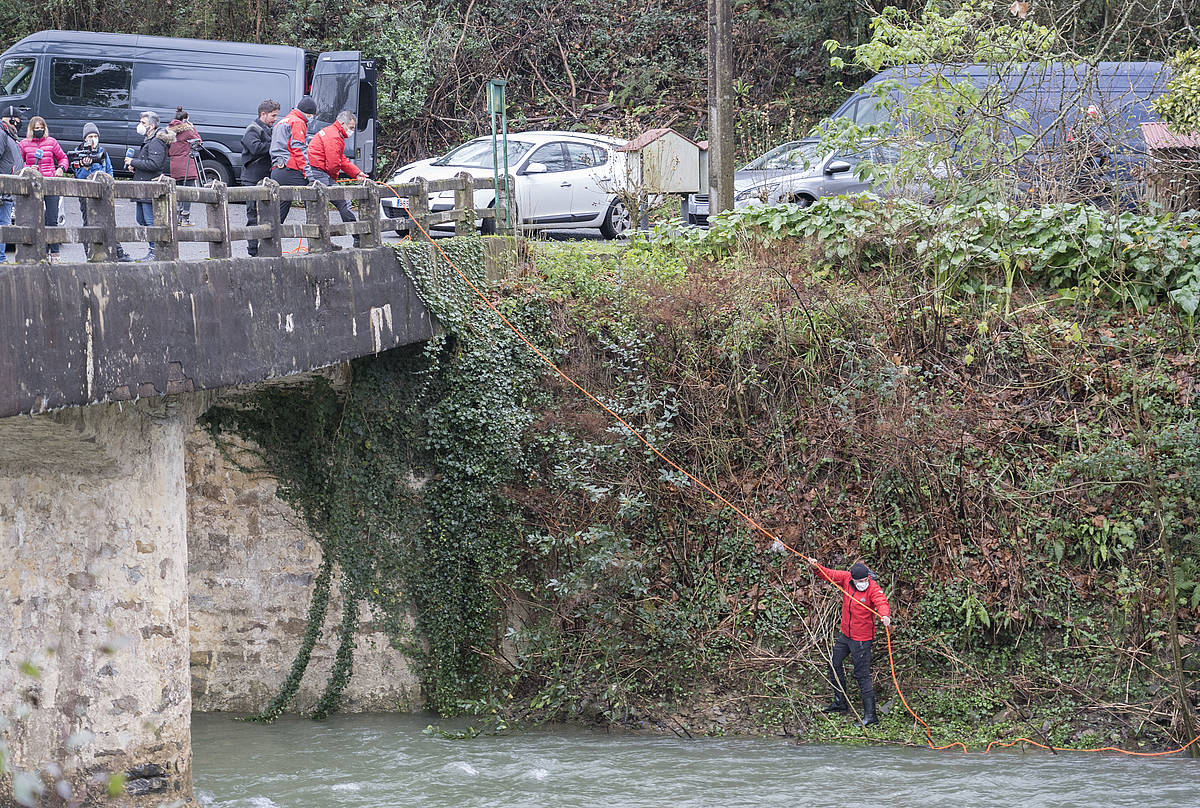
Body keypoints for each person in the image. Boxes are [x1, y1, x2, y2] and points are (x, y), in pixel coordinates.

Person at [808, 557, 892, 726]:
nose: (862, 583)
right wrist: (816, 567)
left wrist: (885, 615)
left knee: (862, 675)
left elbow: (882, 602)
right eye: (859, 581)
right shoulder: (846, 578)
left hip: (862, 639)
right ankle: (840, 703)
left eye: (864, 580)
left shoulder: (873, 588)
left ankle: (871, 716)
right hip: (846, 635)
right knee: (834, 663)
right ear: (853, 579)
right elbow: (829, 574)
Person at [70, 122, 132, 262]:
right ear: (85, 138)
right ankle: (91, 254)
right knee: (89, 224)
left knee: (109, 222)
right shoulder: (78, 152)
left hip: (104, 192)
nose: (93, 138)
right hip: (86, 193)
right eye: (90, 136)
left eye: (95, 136)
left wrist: (110, 183)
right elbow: (79, 177)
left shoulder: (102, 152)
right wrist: (86, 167)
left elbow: (109, 169)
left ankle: (117, 253)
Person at [307, 110, 365, 248]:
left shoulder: (331, 132)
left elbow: (341, 160)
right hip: (320, 173)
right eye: (351, 128)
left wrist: (356, 173)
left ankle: (323, 242)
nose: (352, 131)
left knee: (320, 208)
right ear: (343, 123)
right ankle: (357, 237)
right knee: (343, 201)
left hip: (317, 172)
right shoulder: (334, 137)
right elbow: (333, 163)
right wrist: (333, 181)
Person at [124, 110, 172, 261]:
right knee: (142, 219)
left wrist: (133, 162)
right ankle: (152, 249)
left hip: (149, 187)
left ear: (151, 126)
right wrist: (136, 167)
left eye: (143, 123)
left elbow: (155, 164)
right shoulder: (150, 139)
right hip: (142, 185)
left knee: (150, 220)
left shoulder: (156, 141)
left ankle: (155, 251)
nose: (140, 125)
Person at [19, 116, 68, 261]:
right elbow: (18, 163)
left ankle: (54, 251)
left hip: (50, 183)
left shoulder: (51, 142)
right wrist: (28, 167)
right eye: (36, 128)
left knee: (52, 219)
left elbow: (63, 157)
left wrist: (61, 168)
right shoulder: (23, 144)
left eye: (42, 128)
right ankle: (38, 251)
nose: (39, 130)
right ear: (31, 129)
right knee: (35, 219)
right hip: (33, 186)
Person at [241, 99, 280, 257]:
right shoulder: (253, 129)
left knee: (266, 215)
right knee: (253, 216)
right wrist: (275, 145)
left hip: (264, 177)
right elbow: (255, 148)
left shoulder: (268, 129)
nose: (275, 119)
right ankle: (253, 251)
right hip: (252, 178)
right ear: (263, 114)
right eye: (273, 115)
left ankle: (263, 248)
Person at [270, 95, 317, 225]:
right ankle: (319, 238)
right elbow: (299, 150)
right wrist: (309, 175)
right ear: (308, 113)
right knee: (315, 193)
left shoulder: (283, 121)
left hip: (277, 169)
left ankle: (268, 241)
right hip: (289, 169)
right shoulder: (298, 122)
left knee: (280, 210)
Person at [167, 107, 202, 225]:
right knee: (188, 192)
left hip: (174, 164)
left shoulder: (169, 130)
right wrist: (192, 127)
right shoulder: (187, 131)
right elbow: (198, 141)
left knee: (177, 191)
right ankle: (185, 218)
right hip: (186, 164)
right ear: (185, 119)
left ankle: (176, 217)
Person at [0, 106, 23, 262]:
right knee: (3, 225)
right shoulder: (2, 134)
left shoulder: (10, 136)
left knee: (5, 225)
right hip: (3, 189)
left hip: (8, 191)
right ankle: (1, 259)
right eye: (19, 120)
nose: (20, 124)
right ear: (12, 119)